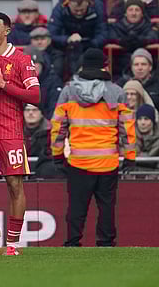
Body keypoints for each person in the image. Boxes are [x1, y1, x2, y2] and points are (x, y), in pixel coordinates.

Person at [51, 48, 136, 247]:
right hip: (108, 162)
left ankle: (72, 242)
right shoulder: (116, 91)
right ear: (104, 65)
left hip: (79, 162)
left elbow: (57, 127)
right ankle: (106, 242)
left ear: (83, 65)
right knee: (107, 207)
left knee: (76, 206)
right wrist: (130, 156)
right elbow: (127, 128)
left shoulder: (69, 90)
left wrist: (57, 155)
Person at [0, 12, 40, 256]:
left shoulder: (22, 60)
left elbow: (35, 97)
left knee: (15, 184)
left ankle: (12, 244)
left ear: (7, 31)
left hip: (10, 131)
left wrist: (5, 85)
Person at [134, 104, 159, 173]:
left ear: (153, 121)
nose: (143, 123)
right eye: (139, 119)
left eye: (146, 119)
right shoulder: (130, 136)